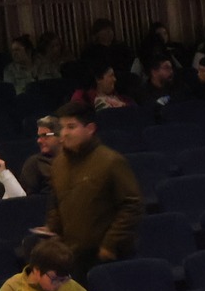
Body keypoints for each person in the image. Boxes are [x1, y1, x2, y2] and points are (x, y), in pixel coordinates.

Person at [46, 106, 141, 278]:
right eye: (62, 127)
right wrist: (53, 232)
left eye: (71, 127)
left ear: (90, 129)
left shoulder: (111, 161)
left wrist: (110, 244)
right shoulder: (58, 164)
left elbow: (132, 205)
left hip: (108, 256)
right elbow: (56, 204)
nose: (64, 133)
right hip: (73, 257)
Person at [18, 115, 59, 198]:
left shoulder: (74, 159)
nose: (39, 141)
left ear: (60, 136)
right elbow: (27, 199)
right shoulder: (34, 163)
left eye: (45, 135)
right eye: (39, 136)